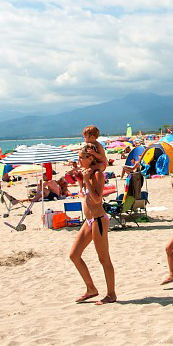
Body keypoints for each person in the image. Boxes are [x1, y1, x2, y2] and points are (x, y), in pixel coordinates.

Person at [68, 125, 116, 305]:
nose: (78, 161)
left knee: (104, 259)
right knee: (74, 255)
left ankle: (111, 294)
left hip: (98, 220)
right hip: (89, 220)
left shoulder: (97, 175)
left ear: (89, 158)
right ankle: (91, 288)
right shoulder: (87, 172)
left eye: (81, 158)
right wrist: (81, 180)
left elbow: (97, 200)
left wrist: (87, 180)